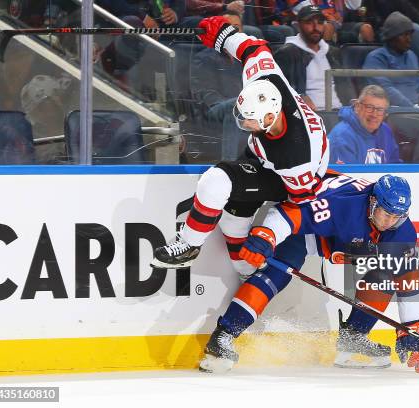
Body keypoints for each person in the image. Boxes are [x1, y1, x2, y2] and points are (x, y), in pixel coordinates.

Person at [150, 15, 330, 280]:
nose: (243, 123)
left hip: (286, 177)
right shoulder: (265, 79)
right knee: (242, 264)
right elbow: (253, 48)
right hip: (263, 156)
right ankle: (253, 273)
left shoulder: (297, 158)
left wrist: (268, 235)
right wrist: (222, 34)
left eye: (250, 120)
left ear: (271, 117)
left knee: (215, 181)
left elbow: (301, 205)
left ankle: (189, 245)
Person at [198, 174, 419, 374]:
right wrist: (266, 235)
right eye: (385, 213)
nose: (389, 222)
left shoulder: (401, 230)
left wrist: (413, 326)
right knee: (274, 276)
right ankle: (223, 336)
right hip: (306, 232)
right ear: (372, 202)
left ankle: (353, 339)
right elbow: (288, 214)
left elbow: (407, 277)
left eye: (396, 217)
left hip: (339, 240)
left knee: (385, 274)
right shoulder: (343, 206)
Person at [190, 10, 249, 160]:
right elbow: (205, 94)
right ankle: (228, 166)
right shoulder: (204, 58)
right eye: (228, 28)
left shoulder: (246, 58)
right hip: (212, 111)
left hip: (245, 110)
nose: (233, 32)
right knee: (235, 106)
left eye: (237, 28)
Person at [274, 5, 351, 111]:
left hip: (339, 112)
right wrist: (299, 98)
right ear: (298, 25)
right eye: (309, 22)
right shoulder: (287, 53)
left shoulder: (333, 52)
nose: (316, 28)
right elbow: (277, 89)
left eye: (320, 23)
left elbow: (346, 86)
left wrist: (354, 102)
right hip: (310, 116)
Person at [363, 12, 419, 108]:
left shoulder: (412, 55)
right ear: (391, 37)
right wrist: (412, 109)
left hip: (418, 109)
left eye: (410, 35)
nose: (409, 39)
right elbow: (385, 90)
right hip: (393, 111)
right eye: (404, 35)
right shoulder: (376, 57)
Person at [328, 85, 401, 164]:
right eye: (369, 107)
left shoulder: (385, 131)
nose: (374, 115)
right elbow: (344, 175)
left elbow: (395, 167)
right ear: (357, 107)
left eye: (380, 110)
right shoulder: (341, 137)